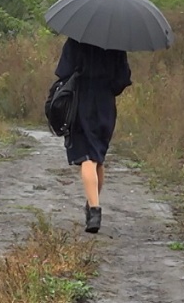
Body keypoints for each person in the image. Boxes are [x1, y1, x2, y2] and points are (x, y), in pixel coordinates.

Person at [54, 37, 132, 233]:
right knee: (98, 157)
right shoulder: (116, 44)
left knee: (87, 156)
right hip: (105, 106)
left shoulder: (76, 40)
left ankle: (95, 210)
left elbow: (63, 72)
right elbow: (122, 80)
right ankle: (91, 205)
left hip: (81, 103)